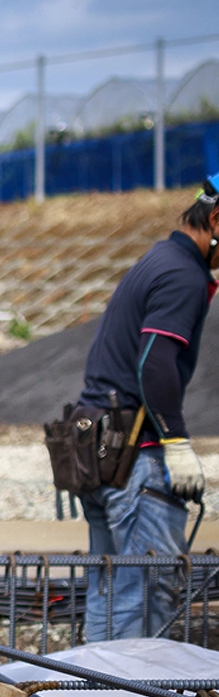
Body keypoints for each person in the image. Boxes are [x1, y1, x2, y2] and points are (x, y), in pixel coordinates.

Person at [77, 176, 219, 641]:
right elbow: (155, 360)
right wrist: (176, 442)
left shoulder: (158, 260)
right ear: (216, 219)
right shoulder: (183, 274)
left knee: (109, 590)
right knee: (146, 597)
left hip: (96, 445)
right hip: (135, 454)